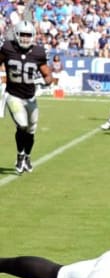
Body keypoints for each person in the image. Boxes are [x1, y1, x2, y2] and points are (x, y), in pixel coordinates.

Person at [0, 21, 58, 174]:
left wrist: (45, 82)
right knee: (22, 124)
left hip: (30, 97)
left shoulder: (38, 52)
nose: (25, 38)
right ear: (17, 35)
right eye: (23, 34)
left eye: (28, 35)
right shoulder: (7, 47)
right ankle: (20, 155)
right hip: (13, 95)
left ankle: (27, 156)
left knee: (31, 129)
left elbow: (47, 75)